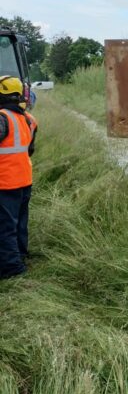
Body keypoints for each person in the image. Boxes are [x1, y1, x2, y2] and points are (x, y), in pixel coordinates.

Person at [0, 76, 38, 279]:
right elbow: (29, 149)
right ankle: (20, 255)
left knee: (5, 226)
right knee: (19, 223)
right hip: (24, 180)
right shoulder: (28, 119)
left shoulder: (2, 117)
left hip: (5, 182)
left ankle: (12, 268)